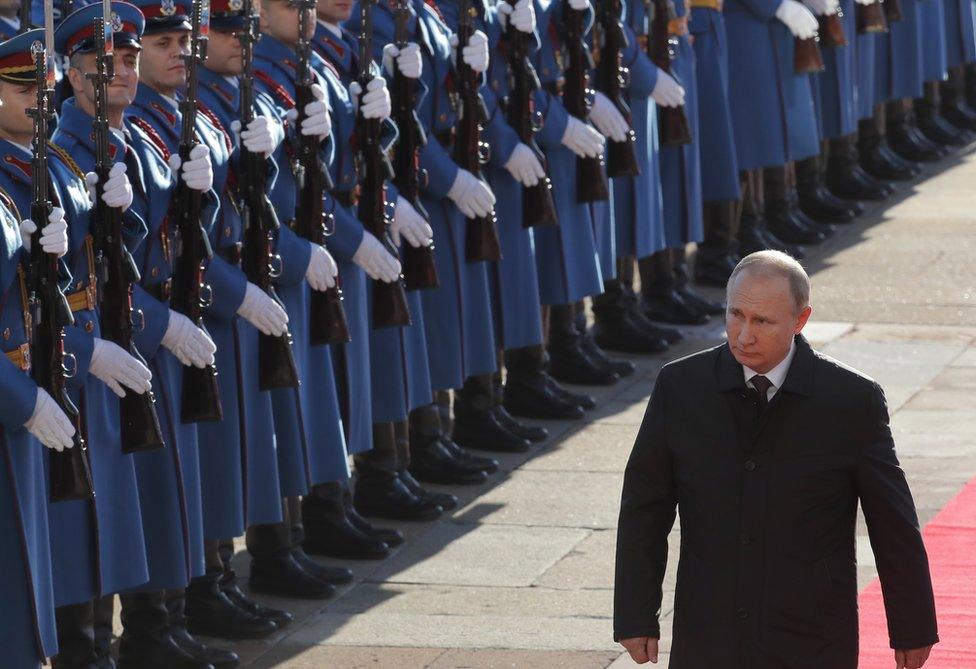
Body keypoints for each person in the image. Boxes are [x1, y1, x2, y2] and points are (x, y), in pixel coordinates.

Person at [614, 250, 939, 668]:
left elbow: (893, 521)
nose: (743, 335)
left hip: (812, 634)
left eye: (762, 321)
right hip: (709, 630)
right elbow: (645, 506)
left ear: (800, 320)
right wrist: (636, 614)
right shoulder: (680, 387)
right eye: (735, 315)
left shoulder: (850, 400)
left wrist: (911, 625)